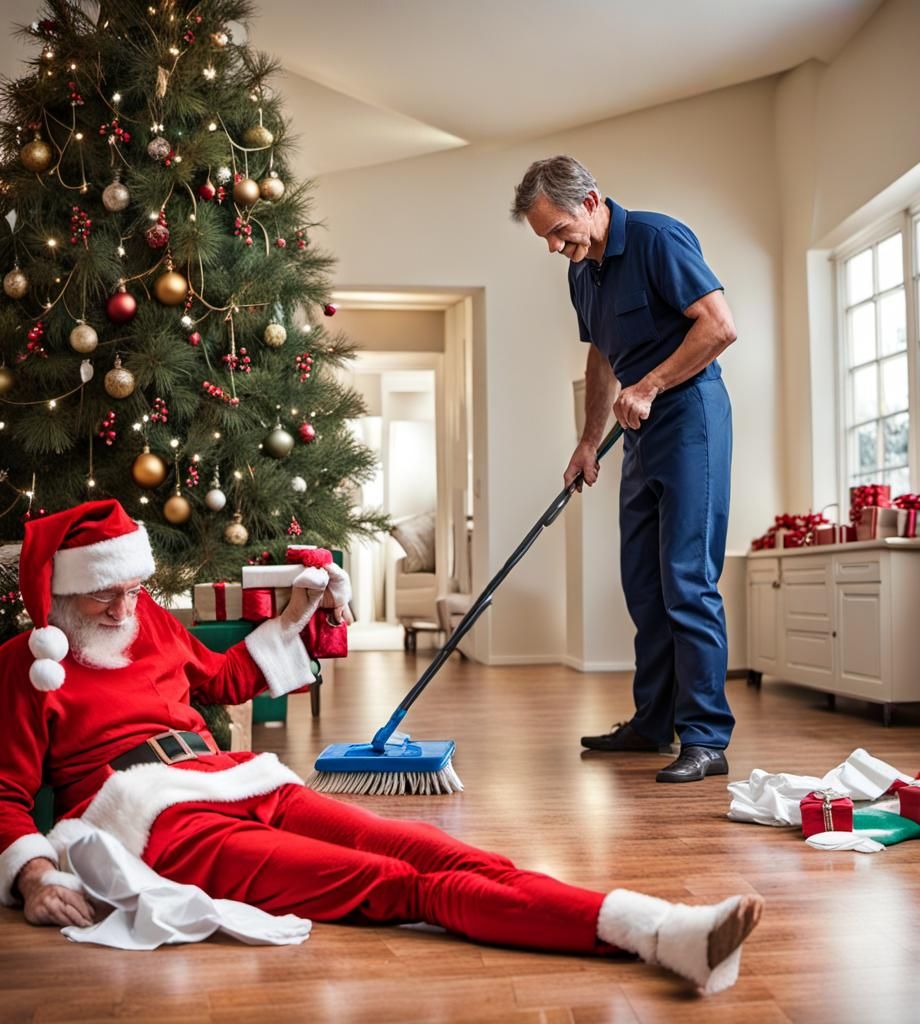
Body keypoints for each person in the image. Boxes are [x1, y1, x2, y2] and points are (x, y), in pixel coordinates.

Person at [0, 500, 762, 993]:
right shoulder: (27, 665)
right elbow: (5, 793)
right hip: (155, 820)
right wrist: (34, 874)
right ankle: (655, 936)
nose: (124, 605)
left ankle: (659, 922)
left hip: (240, 777)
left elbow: (230, 677)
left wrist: (299, 613)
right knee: (398, 885)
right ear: (64, 594)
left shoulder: (152, 625)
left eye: (133, 587)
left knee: (431, 850)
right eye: (106, 593)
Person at [512, 156, 737, 783]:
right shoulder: (584, 273)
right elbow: (600, 360)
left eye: (559, 230)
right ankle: (651, 723)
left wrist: (652, 384)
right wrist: (586, 442)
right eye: (547, 240)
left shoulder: (659, 239)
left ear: (589, 200)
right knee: (643, 580)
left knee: (687, 578)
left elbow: (719, 327)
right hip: (635, 428)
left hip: (689, 414)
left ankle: (705, 737)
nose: (557, 247)